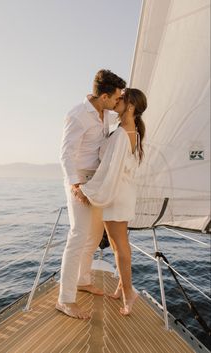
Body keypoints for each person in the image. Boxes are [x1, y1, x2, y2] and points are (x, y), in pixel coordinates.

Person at [56, 69, 126, 319]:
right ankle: (65, 299)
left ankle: (82, 280)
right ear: (105, 96)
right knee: (77, 235)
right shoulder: (77, 114)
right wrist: (75, 186)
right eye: (117, 97)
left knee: (95, 235)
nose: (118, 101)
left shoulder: (106, 113)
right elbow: (65, 154)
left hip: (98, 180)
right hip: (80, 180)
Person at [77, 88, 147, 315]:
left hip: (116, 196)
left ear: (131, 105)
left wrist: (86, 191)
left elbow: (109, 171)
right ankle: (121, 287)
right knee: (118, 246)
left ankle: (129, 293)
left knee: (120, 248)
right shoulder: (131, 131)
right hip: (123, 194)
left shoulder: (121, 134)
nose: (117, 100)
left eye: (122, 98)